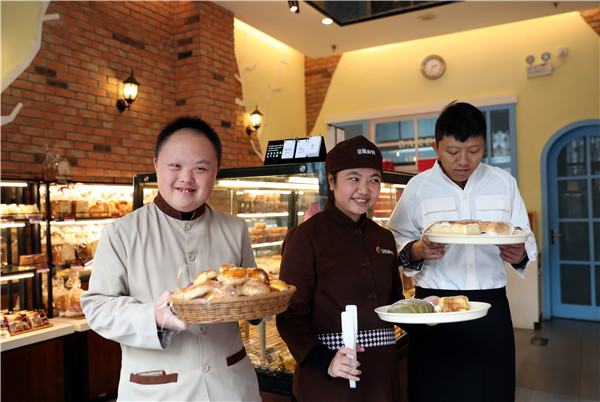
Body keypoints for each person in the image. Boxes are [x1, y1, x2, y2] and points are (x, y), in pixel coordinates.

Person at [81, 116, 261, 401]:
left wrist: (258, 304)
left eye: (200, 168)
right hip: (156, 390)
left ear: (216, 172)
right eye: (175, 165)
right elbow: (98, 307)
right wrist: (153, 316)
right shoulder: (121, 233)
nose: (187, 178)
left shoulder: (234, 228)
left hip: (231, 386)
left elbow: (252, 295)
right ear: (155, 166)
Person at [386, 101, 537, 402]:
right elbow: (395, 239)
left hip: (491, 305)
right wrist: (417, 249)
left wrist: (518, 253)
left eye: (475, 150)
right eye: (453, 152)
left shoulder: (503, 183)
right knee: (433, 390)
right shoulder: (418, 187)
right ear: (436, 147)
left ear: (485, 146)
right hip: (434, 305)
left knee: (492, 390)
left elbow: (526, 238)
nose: (464, 161)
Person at [276, 136, 405, 402]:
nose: (365, 189)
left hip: (382, 378)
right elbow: (290, 315)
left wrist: (424, 310)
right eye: (354, 178)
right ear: (332, 181)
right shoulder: (305, 237)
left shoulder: (384, 238)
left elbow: (394, 303)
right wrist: (325, 361)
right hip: (329, 382)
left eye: (374, 179)